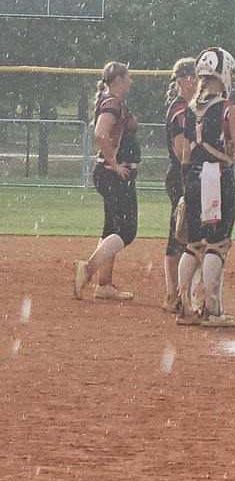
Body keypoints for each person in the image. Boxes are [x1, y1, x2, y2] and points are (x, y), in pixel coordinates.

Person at [175, 47, 235, 328]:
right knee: (217, 244)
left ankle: (184, 306)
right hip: (217, 177)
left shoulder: (190, 107)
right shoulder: (227, 109)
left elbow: (185, 154)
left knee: (193, 244)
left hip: (192, 176)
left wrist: (187, 185)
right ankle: (211, 310)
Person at [73, 61, 140, 301]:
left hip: (110, 174)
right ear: (118, 80)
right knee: (127, 231)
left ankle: (104, 285)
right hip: (113, 174)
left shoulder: (111, 101)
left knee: (111, 229)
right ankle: (88, 269)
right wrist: (114, 163)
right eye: (128, 77)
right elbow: (100, 133)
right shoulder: (112, 103)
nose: (131, 81)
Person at [162, 58, 199, 313]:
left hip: (187, 175)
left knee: (187, 235)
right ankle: (172, 294)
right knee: (178, 236)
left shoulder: (191, 107)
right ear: (187, 80)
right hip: (181, 176)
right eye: (195, 77)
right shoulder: (180, 109)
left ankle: (180, 294)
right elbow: (180, 150)